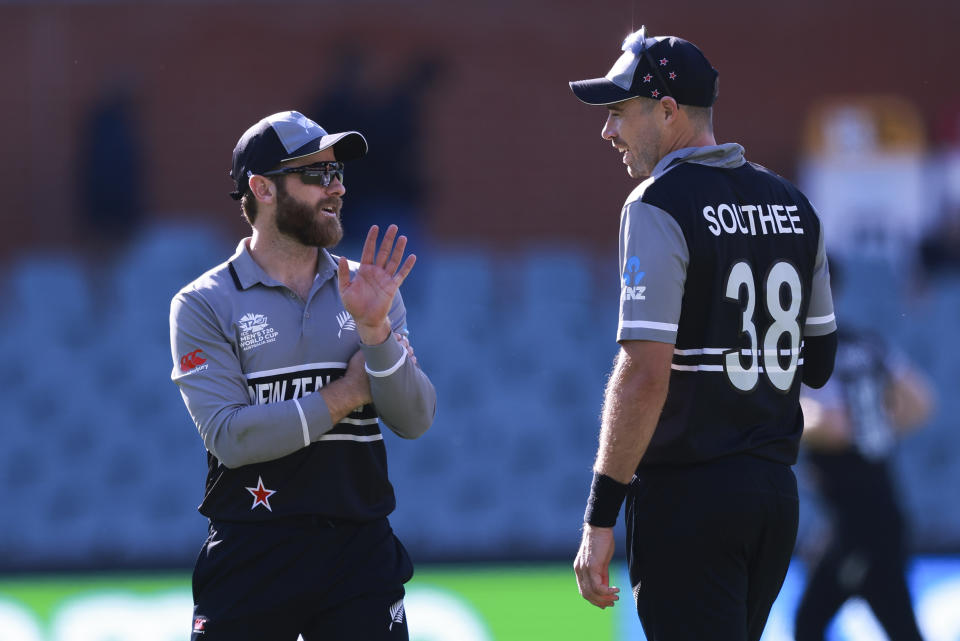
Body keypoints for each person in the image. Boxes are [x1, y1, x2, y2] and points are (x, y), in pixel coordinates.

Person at [568, 26, 838, 640]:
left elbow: (643, 373)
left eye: (619, 112)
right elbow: (818, 362)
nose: (608, 131)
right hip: (774, 496)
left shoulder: (657, 203)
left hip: (690, 499)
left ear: (666, 111)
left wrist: (599, 517)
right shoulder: (796, 204)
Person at [169, 110, 437, 641]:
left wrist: (377, 331)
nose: (336, 188)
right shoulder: (203, 303)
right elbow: (230, 438)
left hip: (359, 550)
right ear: (262, 189)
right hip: (252, 550)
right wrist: (347, 393)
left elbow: (416, 419)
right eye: (316, 175)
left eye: (337, 173)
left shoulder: (369, 290)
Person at [795, 278, 933, 640]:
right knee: (897, 623)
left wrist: (779, 420)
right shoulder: (866, 342)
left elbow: (832, 424)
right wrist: (875, 430)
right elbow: (920, 402)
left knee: (809, 621)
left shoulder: (808, 352)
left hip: (858, 521)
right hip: (877, 509)